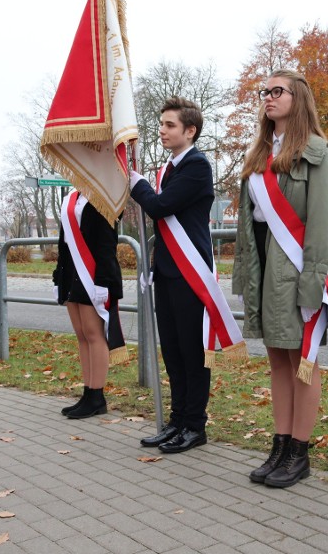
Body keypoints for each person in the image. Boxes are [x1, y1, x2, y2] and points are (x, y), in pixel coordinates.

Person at [232, 70, 328, 488]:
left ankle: (299, 452)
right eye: (266, 92)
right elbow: (250, 223)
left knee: (303, 365)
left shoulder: (317, 152)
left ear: (299, 98)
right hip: (264, 265)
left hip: (293, 269)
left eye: (278, 91)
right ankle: (279, 445)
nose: (268, 98)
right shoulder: (259, 153)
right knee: (277, 361)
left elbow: (320, 225)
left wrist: (312, 282)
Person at [129, 97, 227, 454]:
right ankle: (176, 421)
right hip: (168, 271)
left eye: (170, 125)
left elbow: (160, 206)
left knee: (191, 352)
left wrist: (136, 183)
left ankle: (194, 425)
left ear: (190, 130)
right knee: (172, 350)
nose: (162, 131)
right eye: (161, 125)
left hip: (190, 273)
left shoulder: (197, 166)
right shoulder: (170, 167)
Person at [53, 190, 126, 420]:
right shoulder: (71, 198)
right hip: (72, 272)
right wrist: (58, 275)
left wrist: (103, 282)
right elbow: (64, 243)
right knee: (82, 334)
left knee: (94, 334)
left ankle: (97, 395)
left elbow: (107, 241)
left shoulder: (104, 195)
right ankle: (87, 392)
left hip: (93, 273)